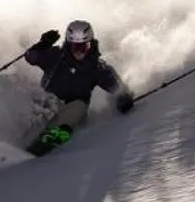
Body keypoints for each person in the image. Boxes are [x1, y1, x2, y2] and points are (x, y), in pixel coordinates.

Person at [23, 19, 133, 152]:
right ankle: (27, 138)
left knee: (78, 105)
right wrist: (42, 45)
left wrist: (123, 99)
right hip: (48, 105)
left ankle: (56, 135)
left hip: (73, 114)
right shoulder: (56, 56)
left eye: (84, 47)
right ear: (69, 44)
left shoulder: (97, 67)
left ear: (91, 44)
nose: (79, 52)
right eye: (76, 47)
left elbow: (116, 86)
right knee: (37, 99)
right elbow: (31, 57)